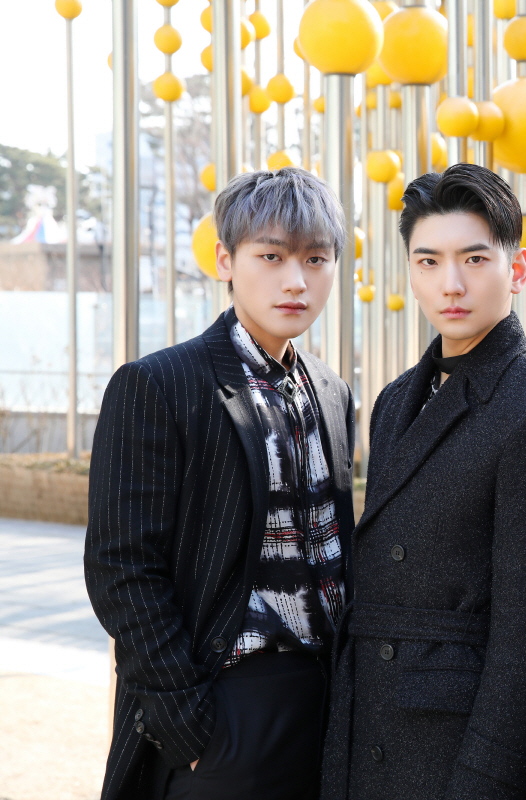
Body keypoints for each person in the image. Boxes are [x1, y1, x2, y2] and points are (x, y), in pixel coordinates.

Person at [320, 163, 526, 800]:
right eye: (429, 261)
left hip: (448, 752)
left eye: (474, 259)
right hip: (366, 722)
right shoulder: (394, 400)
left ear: (517, 268)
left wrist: (487, 781)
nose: (451, 284)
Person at [84, 167, 355, 800]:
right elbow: (121, 566)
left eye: (316, 259)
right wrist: (188, 724)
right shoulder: (159, 384)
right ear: (225, 261)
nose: (296, 280)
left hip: (327, 707)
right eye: (272, 256)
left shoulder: (332, 390)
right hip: (225, 705)